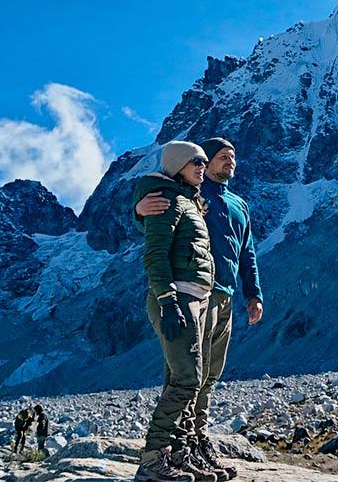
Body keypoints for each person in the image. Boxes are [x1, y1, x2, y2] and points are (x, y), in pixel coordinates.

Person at [135, 137, 262, 481]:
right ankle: (162, 454)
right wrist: (137, 207)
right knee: (187, 377)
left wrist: (254, 293)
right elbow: (155, 232)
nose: (225, 162)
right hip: (186, 295)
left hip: (219, 296)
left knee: (204, 376)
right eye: (218, 157)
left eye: (231, 157)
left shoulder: (228, 203)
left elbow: (246, 252)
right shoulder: (182, 194)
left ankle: (187, 447)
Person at [132, 141, 217, 482]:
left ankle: (177, 455)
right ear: (178, 164)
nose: (203, 166)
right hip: (178, 299)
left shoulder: (185, 201)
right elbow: (154, 254)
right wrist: (167, 301)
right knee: (187, 379)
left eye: (204, 161)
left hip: (192, 298)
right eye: (196, 161)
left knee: (180, 378)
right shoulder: (164, 200)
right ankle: (152, 459)